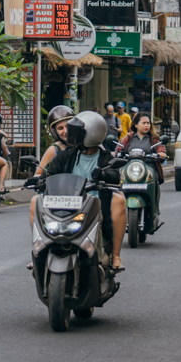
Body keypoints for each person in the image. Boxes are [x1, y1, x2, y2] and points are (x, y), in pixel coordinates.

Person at [33, 107, 128, 271]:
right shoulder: (67, 154)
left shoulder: (105, 157)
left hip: (93, 204)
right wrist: (39, 180)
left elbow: (115, 176)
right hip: (66, 203)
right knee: (35, 200)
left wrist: (103, 175)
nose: (70, 134)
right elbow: (51, 173)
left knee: (119, 199)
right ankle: (38, 250)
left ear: (91, 133)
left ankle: (115, 254)